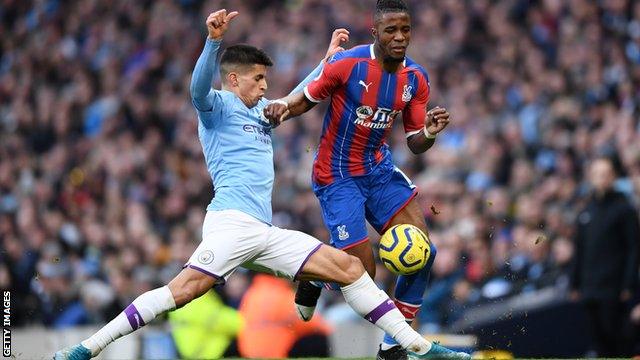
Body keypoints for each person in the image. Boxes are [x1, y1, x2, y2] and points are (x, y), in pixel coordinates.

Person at [54, 9, 470, 360]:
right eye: (257, 79)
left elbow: (296, 96)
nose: (264, 86)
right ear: (234, 80)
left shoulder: (260, 114)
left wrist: (326, 62)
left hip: (263, 232)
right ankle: (87, 349)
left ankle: (414, 346)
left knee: (349, 269)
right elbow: (198, 88)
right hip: (231, 225)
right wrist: (212, 43)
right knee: (179, 293)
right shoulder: (215, 107)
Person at [263, 1, 451, 358]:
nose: (399, 37)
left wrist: (428, 131)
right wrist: (283, 108)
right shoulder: (348, 64)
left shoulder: (416, 78)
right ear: (375, 32)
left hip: (378, 170)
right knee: (361, 273)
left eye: (405, 30)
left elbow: (415, 144)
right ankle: (314, 276)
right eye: (391, 30)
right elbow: (307, 98)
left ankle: (395, 345)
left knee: (424, 254)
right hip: (337, 175)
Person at [569, 157, 640, 357]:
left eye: (606, 173)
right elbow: (579, 249)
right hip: (590, 288)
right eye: (597, 174)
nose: (601, 178)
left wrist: (628, 284)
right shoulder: (586, 211)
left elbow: (633, 248)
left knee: (619, 338)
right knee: (597, 341)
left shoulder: (623, 208)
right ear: (591, 177)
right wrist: (575, 283)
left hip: (613, 286)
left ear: (614, 177)